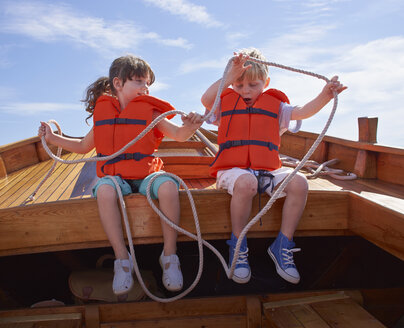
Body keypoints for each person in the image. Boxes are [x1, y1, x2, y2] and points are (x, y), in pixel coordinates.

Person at [39, 54, 203, 295]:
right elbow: (84, 146)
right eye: (139, 82)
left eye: (147, 83)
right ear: (118, 84)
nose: (145, 87)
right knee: (104, 190)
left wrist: (191, 126)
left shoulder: (151, 112)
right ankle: (122, 260)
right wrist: (52, 138)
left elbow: (179, 135)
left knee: (168, 186)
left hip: (147, 174)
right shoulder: (104, 112)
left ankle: (169, 256)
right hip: (116, 177)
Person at [201, 48, 347, 284]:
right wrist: (230, 75)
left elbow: (303, 111)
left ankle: (282, 245)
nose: (245, 91)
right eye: (239, 86)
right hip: (232, 172)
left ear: (266, 82)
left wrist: (325, 95)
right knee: (247, 183)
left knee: (299, 183)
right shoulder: (223, 103)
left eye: (253, 85)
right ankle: (238, 246)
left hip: (268, 171)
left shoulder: (276, 106)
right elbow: (207, 99)